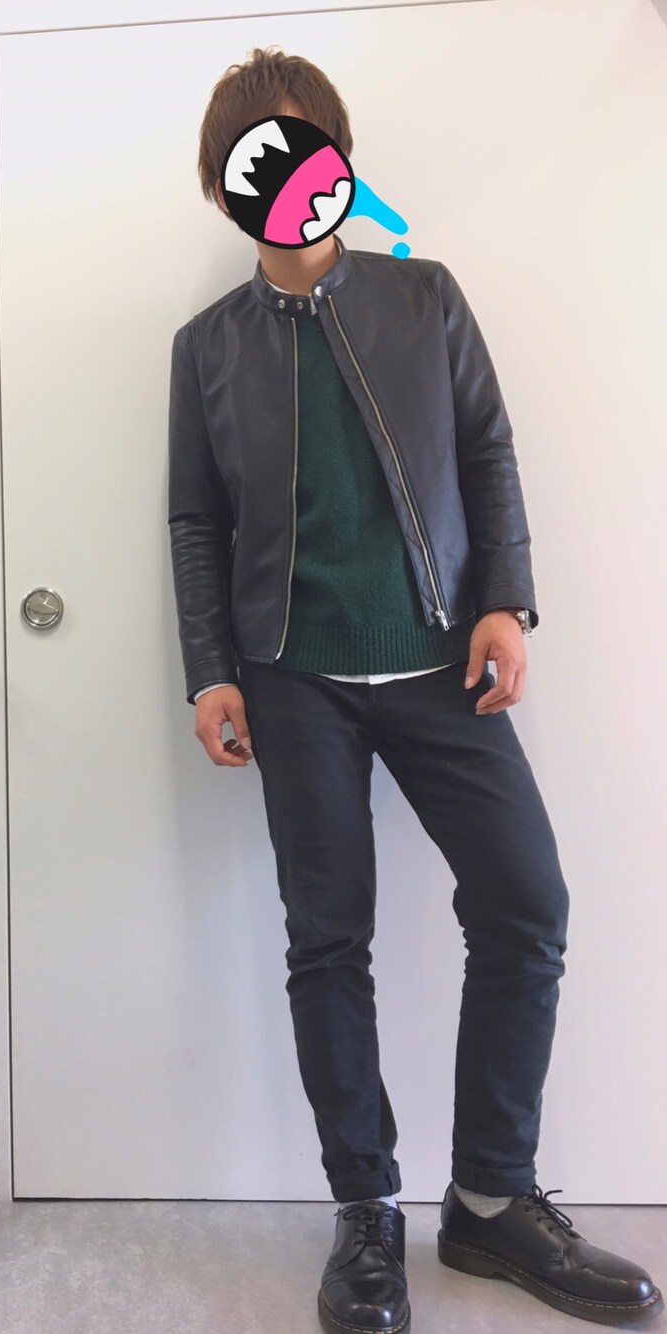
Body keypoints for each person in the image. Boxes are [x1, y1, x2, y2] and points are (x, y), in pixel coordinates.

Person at [166, 45, 663, 1334]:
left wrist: (506, 598)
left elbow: (487, 446)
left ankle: (490, 1201)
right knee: (329, 941)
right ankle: (366, 1214)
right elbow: (197, 520)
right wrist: (211, 671)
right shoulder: (206, 348)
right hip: (294, 683)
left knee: (526, 903)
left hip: (444, 665)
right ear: (222, 191)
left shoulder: (424, 295)